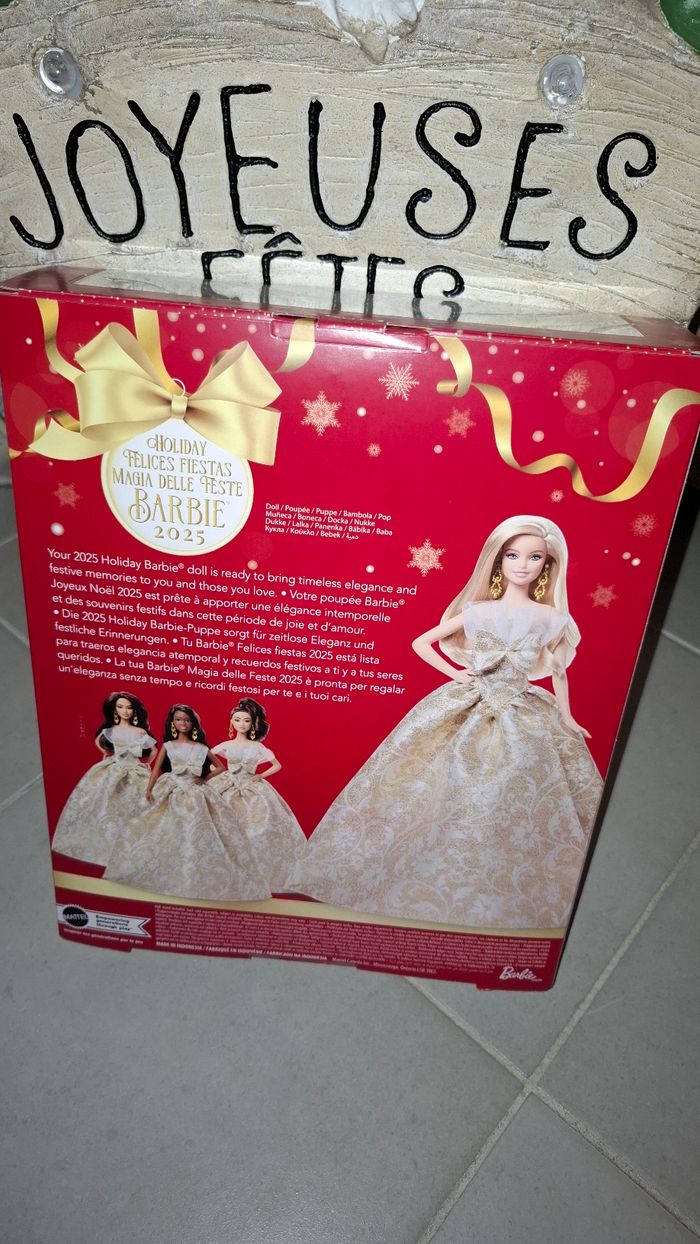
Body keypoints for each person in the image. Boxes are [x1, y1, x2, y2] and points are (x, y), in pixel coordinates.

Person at [285, 515, 603, 930]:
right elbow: (421, 642)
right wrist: (456, 674)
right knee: (429, 785)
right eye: (512, 555)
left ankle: (499, 888)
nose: (523, 565)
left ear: (547, 564)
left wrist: (567, 716)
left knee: (513, 796)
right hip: (468, 704)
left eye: (534, 557)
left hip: (522, 713)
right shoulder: (479, 612)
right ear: (498, 560)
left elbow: (558, 672)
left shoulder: (551, 619)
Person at [103, 704, 269, 902]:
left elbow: (219, 767)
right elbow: (156, 769)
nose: (183, 723)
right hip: (171, 788)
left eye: (187, 720)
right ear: (173, 723)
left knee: (197, 829)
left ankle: (195, 876)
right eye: (179, 720)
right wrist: (149, 788)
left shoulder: (201, 748)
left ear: (193, 723)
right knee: (159, 828)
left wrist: (204, 778)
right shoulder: (168, 746)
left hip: (195, 792)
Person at [209, 698, 307, 892]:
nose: (242, 724)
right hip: (227, 786)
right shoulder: (226, 745)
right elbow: (206, 760)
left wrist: (260, 775)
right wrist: (221, 772)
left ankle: (254, 873)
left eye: (246, 721)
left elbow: (277, 765)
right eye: (237, 720)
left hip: (252, 789)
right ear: (231, 722)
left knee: (256, 827)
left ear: (252, 724)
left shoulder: (257, 747)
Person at [52, 691, 156, 866]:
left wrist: (147, 764)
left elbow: (154, 749)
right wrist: (106, 753)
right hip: (115, 769)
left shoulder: (140, 731)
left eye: (129, 707)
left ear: (134, 711)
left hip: (136, 771)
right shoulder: (111, 730)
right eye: (120, 707)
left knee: (138, 806)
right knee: (107, 803)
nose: (125, 711)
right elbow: (98, 740)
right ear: (115, 710)